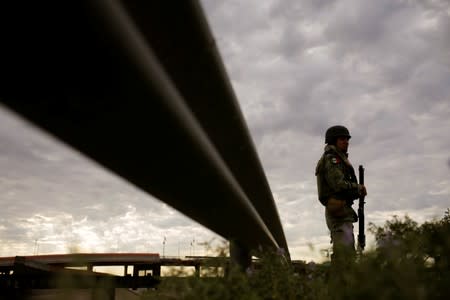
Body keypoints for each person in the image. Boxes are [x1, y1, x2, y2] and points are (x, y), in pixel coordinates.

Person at [315, 125, 367, 267]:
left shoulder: (338, 159)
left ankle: (343, 285)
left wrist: (356, 191)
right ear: (333, 141)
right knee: (344, 256)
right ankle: (340, 287)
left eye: (347, 139)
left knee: (346, 255)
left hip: (342, 211)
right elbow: (338, 184)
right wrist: (358, 188)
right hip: (338, 212)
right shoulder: (332, 160)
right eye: (342, 139)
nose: (346, 142)